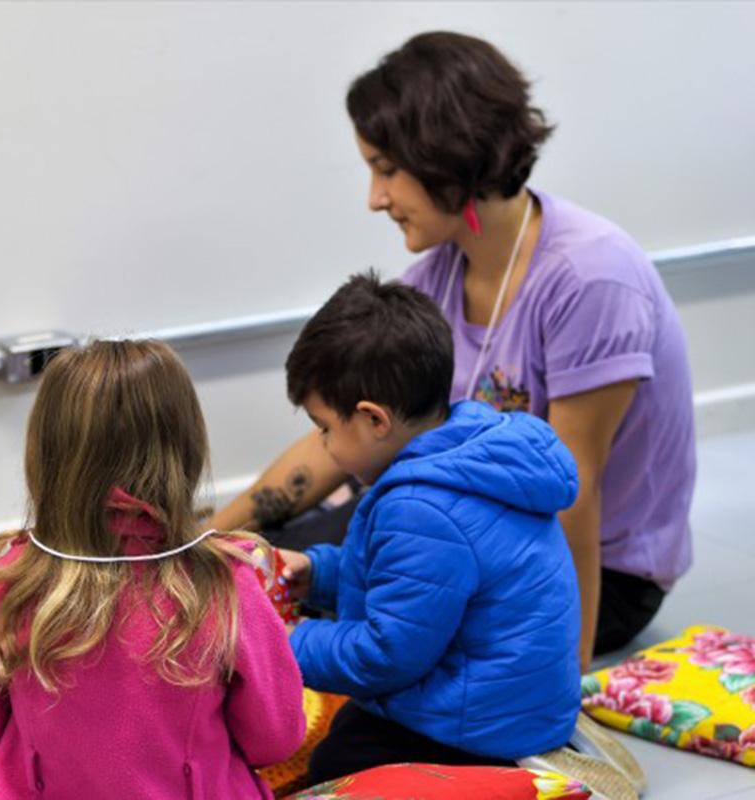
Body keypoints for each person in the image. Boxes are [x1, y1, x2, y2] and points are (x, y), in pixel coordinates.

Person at [211, 31, 695, 671]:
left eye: (387, 170)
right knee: (261, 559)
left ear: (446, 156)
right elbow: (336, 436)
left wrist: (563, 674)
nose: (375, 198)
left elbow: (573, 491)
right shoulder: (437, 277)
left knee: (311, 595)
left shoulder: (591, 279)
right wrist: (215, 533)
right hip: (472, 525)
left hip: (594, 575)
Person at [279, 273, 635, 800]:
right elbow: (404, 581)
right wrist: (319, 573)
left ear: (374, 419)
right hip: (512, 702)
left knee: (339, 759)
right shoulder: (469, 452)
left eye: (325, 426)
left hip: (481, 734)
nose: (324, 445)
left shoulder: (421, 508)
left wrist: (284, 646)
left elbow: (384, 654)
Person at [0, 340, 305, 800]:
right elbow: (276, 739)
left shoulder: (10, 581)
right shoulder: (227, 583)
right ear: (186, 449)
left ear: (45, 456)